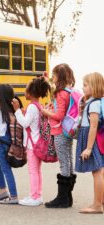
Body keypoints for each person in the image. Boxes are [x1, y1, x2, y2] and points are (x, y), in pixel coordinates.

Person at [41, 63, 76, 208]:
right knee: (68, 160)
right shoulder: (69, 91)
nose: (52, 78)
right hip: (68, 131)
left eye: (54, 76)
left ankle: (62, 198)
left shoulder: (61, 94)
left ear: (59, 77)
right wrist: (46, 79)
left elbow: (59, 115)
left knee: (64, 162)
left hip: (60, 131)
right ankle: (67, 196)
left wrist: (45, 112)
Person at [12, 77, 51, 206]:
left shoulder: (32, 107)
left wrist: (17, 110)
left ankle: (34, 197)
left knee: (33, 170)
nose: (24, 91)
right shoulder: (38, 106)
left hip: (32, 144)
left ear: (30, 92)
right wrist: (24, 112)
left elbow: (24, 123)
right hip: (38, 142)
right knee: (37, 170)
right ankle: (37, 195)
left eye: (25, 89)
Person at [75, 72, 104, 214]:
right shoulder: (92, 101)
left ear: (94, 86)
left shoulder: (94, 104)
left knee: (97, 171)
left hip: (91, 140)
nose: (83, 87)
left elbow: (93, 126)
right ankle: (100, 201)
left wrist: (88, 148)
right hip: (92, 139)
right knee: (99, 171)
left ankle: (97, 205)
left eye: (85, 85)